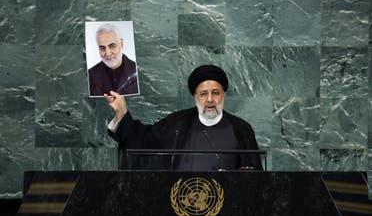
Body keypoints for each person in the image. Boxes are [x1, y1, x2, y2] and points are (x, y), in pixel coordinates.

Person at [105, 65, 262, 171]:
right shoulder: (178, 123)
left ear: (223, 95)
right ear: (195, 96)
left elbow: (256, 181)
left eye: (215, 93)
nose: (209, 99)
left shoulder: (241, 129)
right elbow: (144, 141)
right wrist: (122, 113)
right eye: (203, 94)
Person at [88, 23, 139, 97]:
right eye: (102, 48)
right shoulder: (90, 76)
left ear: (121, 44)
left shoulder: (137, 71)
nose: (108, 54)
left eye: (112, 46)